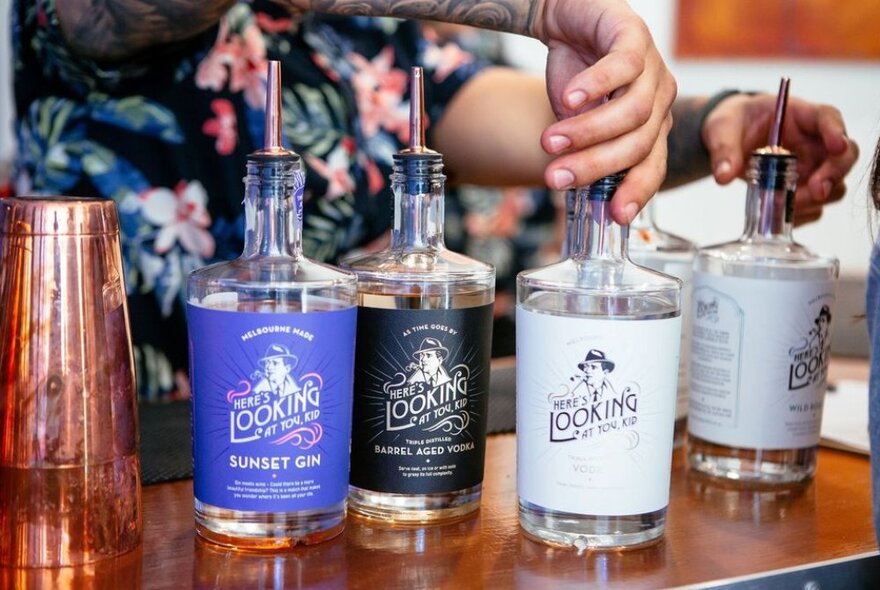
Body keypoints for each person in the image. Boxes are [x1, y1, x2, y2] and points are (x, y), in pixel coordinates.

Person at [11, 1, 857, 399]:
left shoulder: (364, 38)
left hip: (358, 467)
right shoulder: (81, 16)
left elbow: (542, 128)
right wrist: (540, 7)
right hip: (143, 466)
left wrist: (718, 120)